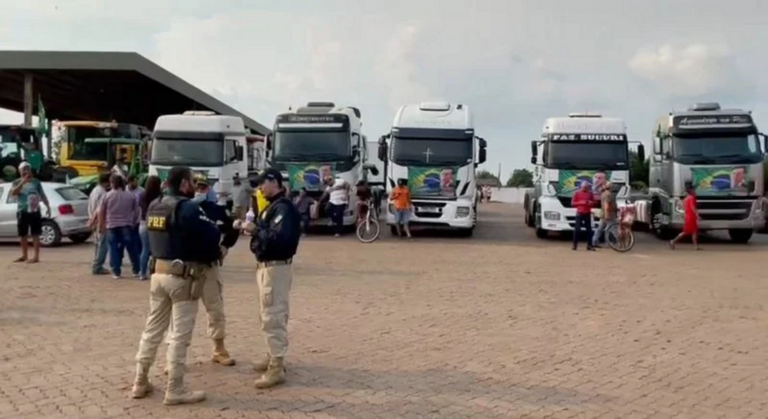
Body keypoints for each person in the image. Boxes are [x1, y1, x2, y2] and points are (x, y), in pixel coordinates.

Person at [130, 166, 222, 405]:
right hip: (183, 277)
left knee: (152, 330)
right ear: (183, 184)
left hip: (157, 273)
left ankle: (140, 381)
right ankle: (175, 388)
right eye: (192, 181)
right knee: (180, 335)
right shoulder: (189, 208)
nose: (194, 185)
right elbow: (211, 239)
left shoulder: (155, 206)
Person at [249, 168, 301, 389]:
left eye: (262, 183)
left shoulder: (283, 209)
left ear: (274, 182)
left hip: (276, 266)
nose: (260, 188)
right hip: (267, 266)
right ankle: (273, 354)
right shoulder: (272, 207)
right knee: (267, 313)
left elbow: (279, 239)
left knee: (273, 314)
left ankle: (277, 365)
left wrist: (255, 231)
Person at [99, 174, 141, 278]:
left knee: (113, 248)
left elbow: (101, 212)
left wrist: (101, 225)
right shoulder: (130, 196)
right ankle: (136, 269)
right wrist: (134, 221)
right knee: (132, 248)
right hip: (127, 224)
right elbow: (136, 211)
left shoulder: (107, 196)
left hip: (111, 225)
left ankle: (116, 271)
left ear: (112, 183)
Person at [10, 162, 50, 263]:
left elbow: (42, 194)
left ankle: (36, 257)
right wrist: (22, 182)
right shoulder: (16, 182)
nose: (26, 171)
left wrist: (47, 206)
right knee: (23, 234)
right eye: (24, 169)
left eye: (28, 169)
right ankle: (24, 255)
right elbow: (14, 193)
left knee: (35, 234)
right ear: (20, 171)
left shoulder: (36, 182)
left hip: (35, 211)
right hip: (22, 211)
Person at [138, 176, 162, 281]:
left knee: (145, 249)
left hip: (143, 222)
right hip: (156, 221)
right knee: (157, 249)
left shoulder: (142, 195)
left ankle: (142, 273)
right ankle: (154, 271)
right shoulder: (160, 196)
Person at [88, 173, 111, 274]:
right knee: (103, 245)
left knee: (98, 244)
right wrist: (100, 223)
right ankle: (98, 266)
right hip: (100, 221)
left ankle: (96, 264)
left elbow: (91, 206)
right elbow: (100, 209)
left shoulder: (95, 190)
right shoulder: (102, 193)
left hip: (94, 219)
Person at [670, 185, 700, 250]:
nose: (694, 191)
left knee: (694, 231)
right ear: (691, 191)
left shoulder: (686, 198)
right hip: (691, 217)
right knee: (686, 232)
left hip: (688, 216)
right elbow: (693, 207)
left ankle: (696, 246)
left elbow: (684, 207)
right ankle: (673, 241)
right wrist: (697, 215)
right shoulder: (691, 198)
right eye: (693, 190)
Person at [571, 181, 596, 251]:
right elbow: (573, 203)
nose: (585, 189)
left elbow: (593, 202)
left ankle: (589, 245)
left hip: (587, 213)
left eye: (586, 188)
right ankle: (574, 245)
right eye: (584, 187)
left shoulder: (590, 193)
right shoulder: (577, 193)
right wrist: (581, 203)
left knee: (589, 230)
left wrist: (591, 203)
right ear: (581, 187)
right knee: (577, 229)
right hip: (579, 213)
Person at [591, 182, 617, 249]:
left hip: (603, 214)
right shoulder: (609, 195)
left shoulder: (603, 194)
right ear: (611, 187)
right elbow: (607, 205)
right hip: (609, 214)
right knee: (612, 228)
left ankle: (594, 241)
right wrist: (607, 214)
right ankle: (614, 242)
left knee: (600, 228)